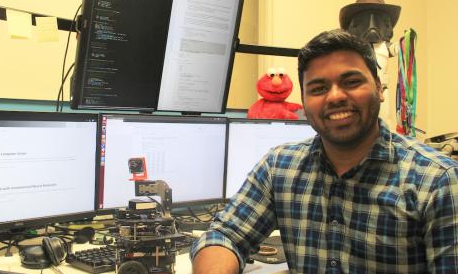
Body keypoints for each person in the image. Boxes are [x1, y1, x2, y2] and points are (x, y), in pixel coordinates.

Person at [190, 29, 458, 274]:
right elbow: (225, 235)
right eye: (318, 88)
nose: (334, 97)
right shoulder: (280, 167)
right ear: (304, 102)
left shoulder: (438, 181)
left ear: (379, 88)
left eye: (351, 82)